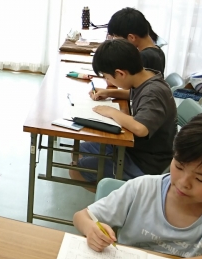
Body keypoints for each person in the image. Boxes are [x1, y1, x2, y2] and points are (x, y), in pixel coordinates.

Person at [73, 113, 202, 259]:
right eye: (178, 166)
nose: (183, 183)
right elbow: (81, 217)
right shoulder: (142, 188)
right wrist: (91, 229)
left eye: (200, 179)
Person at [69, 39, 177, 185]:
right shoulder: (145, 77)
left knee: (75, 170)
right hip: (136, 149)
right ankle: (111, 187)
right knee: (78, 151)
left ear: (120, 73)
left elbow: (141, 128)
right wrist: (109, 92)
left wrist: (112, 112)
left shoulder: (153, 93)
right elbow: (134, 94)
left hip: (146, 162)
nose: (107, 80)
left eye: (107, 77)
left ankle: (120, 194)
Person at [107, 7, 165, 76]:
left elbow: (125, 79)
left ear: (131, 37)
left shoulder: (143, 57)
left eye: (116, 37)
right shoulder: (158, 51)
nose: (115, 41)